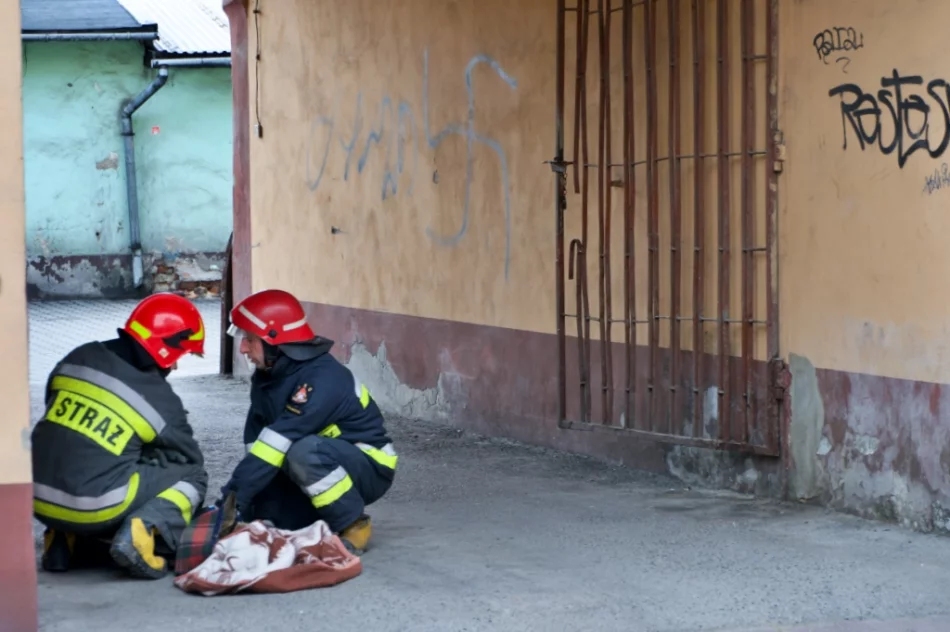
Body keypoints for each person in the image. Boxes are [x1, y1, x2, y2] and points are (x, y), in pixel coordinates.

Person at [32, 293, 209, 579]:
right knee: (192, 474)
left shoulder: (77, 357)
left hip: (38, 499)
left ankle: (62, 536)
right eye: (180, 355)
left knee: (73, 448)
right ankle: (142, 529)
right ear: (167, 347)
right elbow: (188, 458)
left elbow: (55, 415)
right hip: (95, 509)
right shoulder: (160, 399)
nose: (176, 366)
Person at [219, 288, 397, 552]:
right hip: (321, 461)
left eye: (250, 339)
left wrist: (233, 499)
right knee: (278, 525)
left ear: (274, 341)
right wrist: (242, 511)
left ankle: (353, 524)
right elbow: (258, 447)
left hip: (369, 465)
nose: (243, 347)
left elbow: (279, 440)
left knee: (301, 450)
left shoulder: (321, 378)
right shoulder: (269, 376)